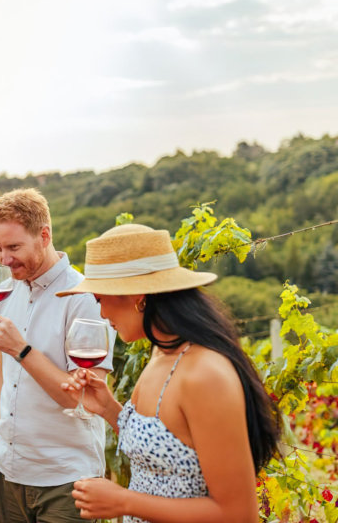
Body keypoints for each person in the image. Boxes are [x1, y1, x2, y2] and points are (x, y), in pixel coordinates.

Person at [57, 223, 281, 522]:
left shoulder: (205, 375)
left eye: (100, 299)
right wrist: (109, 409)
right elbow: (170, 449)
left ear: (138, 296)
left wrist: (124, 501)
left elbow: (238, 514)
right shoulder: (162, 351)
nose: (102, 314)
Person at [0, 188, 116, 523]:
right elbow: (3, 370)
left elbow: (83, 397)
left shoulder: (84, 298)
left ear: (44, 235)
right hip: (6, 470)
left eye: (13, 247)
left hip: (65, 480)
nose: (5, 259)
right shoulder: (7, 289)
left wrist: (21, 349)